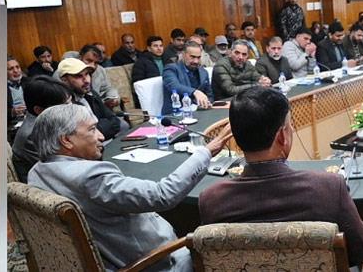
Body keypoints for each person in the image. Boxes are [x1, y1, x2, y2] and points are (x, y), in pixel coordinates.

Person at [26, 103, 230, 272]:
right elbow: (163, 195)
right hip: (153, 263)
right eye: (91, 129)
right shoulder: (90, 177)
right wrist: (205, 153)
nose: (101, 137)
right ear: (66, 140)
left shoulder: (36, 173)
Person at [198, 87, 363, 268]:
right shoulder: (329, 187)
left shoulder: (211, 199)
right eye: (289, 126)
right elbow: (360, 250)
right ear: (282, 136)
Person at [10, 75, 73, 182]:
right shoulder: (31, 135)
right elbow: (58, 172)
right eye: (64, 106)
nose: (71, 108)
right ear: (39, 110)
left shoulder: (52, 120)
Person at [55, 58, 122, 140]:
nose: (86, 80)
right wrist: (103, 127)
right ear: (64, 80)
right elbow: (82, 138)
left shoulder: (91, 93)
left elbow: (115, 122)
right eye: (79, 76)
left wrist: (96, 130)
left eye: (87, 74)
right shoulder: (64, 105)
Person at [161, 42, 216, 115]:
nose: (196, 61)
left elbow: (209, 95)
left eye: (198, 57)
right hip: (175, 115)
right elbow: (174, 86)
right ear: (183, 54)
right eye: (192, 57)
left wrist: (207, 103)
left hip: (200, 112)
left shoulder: (203, 72)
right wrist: (195, 92)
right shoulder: (171, 69)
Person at [79, 44, 121, 109]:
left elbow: (108, 88)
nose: (92, 66)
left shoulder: (100, 70)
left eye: (96, 63)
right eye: (89, 61)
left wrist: (112, 98)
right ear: (80, 57)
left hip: (99, 108)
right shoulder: (70, 73)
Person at [6, 56, 27, 127]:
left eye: (17, 67)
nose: (16, 71)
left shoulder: (28, 82)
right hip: (11, 124)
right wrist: (12, 112)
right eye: (11, 69)